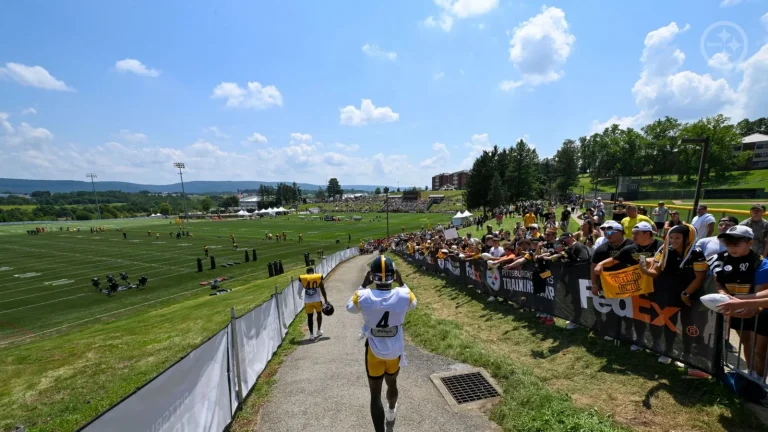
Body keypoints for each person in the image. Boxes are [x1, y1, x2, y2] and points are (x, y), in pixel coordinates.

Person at [346, 256, 416, 432]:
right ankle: (391, 412)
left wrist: (362, 285)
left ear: (372, 276)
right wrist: (402, 283)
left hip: (374, 353)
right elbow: (413, 303)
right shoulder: (403, 294)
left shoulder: (363, 296)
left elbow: (349, 308)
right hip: (395, 350)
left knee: (375, 394)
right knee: (392, 383)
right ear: (394, 275)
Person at [709, 225, 768, 378]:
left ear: (750, 243)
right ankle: (752, 375)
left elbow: (758, 296)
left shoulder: (761, 264)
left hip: (758, 311)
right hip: (735, 308)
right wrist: (722, 292)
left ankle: (760, 380)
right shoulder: (719, 259)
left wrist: (745, 306)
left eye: (736, 244)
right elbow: (717, 282)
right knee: (746, 343)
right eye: (728, 243)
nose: (731, 247)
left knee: (759, 349)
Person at [594, 222, 660, 352]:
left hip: (657, 287)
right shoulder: (631, 248)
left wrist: (647, 261)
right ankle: (640, 340)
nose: (633, 236)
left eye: (637, 234)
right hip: (637, 289)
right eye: (633, 234)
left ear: (647, 233)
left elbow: (662, 260)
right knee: (638, 316)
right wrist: (601, 264)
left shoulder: (660, 246)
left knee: (656, 317)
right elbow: (614, 260)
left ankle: (657, 343)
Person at [300, 267, 329, 342]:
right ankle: (318, 330)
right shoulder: (317, 278)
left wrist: (300, 296)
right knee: (319, 314)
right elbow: (322, 289)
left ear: (307, 273)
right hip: (317, 300)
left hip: (308, 301)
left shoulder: (304, 279)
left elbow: (299, 291)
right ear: (313, 272)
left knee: (310, 317)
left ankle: (311, 334)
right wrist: (326, 300)